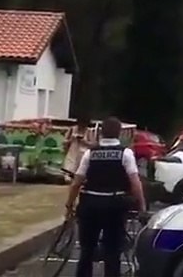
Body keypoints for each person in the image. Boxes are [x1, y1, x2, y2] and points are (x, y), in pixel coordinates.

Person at [65, 116, 146, 277]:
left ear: (101, 133)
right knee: (113, 250)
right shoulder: (126, 154)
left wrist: (69, 205)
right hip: (114, 206)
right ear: (119, 134)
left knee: (87, 250)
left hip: (90, 205)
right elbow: (135, 183)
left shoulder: (90, 153)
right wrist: (141, 205)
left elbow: (76, 182)